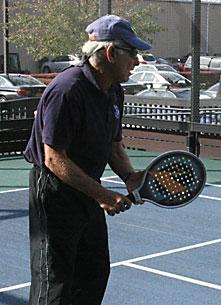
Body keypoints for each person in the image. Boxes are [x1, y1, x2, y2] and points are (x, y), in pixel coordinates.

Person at [23, 15, 151, 305]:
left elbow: (113, 144)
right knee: (53, 283)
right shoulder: (66, 90)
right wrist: (103, 195)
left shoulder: (114, 90)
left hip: (87, 189)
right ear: (110, 53)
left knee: (93, 273)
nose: (137, 61)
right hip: (54, 193)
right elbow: (54, 158)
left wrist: (129, 177)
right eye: (133, 53)